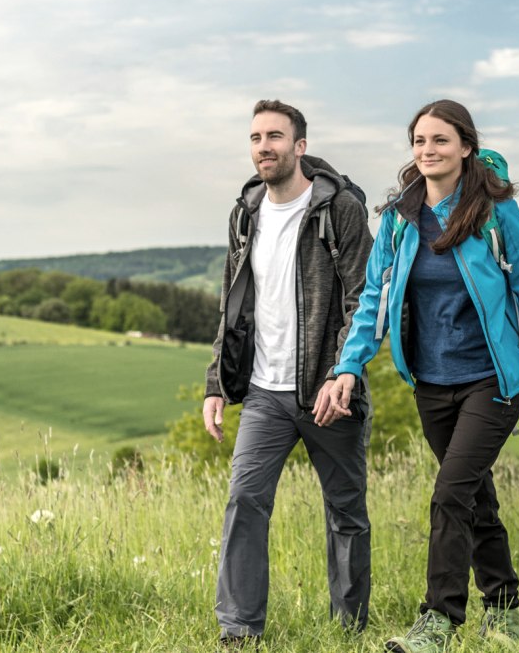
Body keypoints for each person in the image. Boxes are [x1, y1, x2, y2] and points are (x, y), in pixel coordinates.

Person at [314, 99, 519, 652]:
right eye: (419, 142)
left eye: (440, 140)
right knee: (474, 497)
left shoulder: (494, 212)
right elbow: (373, 302)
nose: (428, 151)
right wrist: (347, 366)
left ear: (465, 146)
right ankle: (504, 608)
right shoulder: (398, 220)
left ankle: (438, 621)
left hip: (495, 380)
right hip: (432, 384)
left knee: (449, 494)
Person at [204, 99, 374, 648]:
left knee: (345, 512)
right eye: (255, 137)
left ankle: (348, 629)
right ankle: (238, 630)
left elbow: (362, 299)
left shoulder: (338, 209)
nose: (263, 147)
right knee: (244, 501)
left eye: (275, 136)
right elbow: (231, 305)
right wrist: (216, 383)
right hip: (262, 393)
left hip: (328, 392)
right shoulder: (245, 211)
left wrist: (342, 373)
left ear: (300, 146)